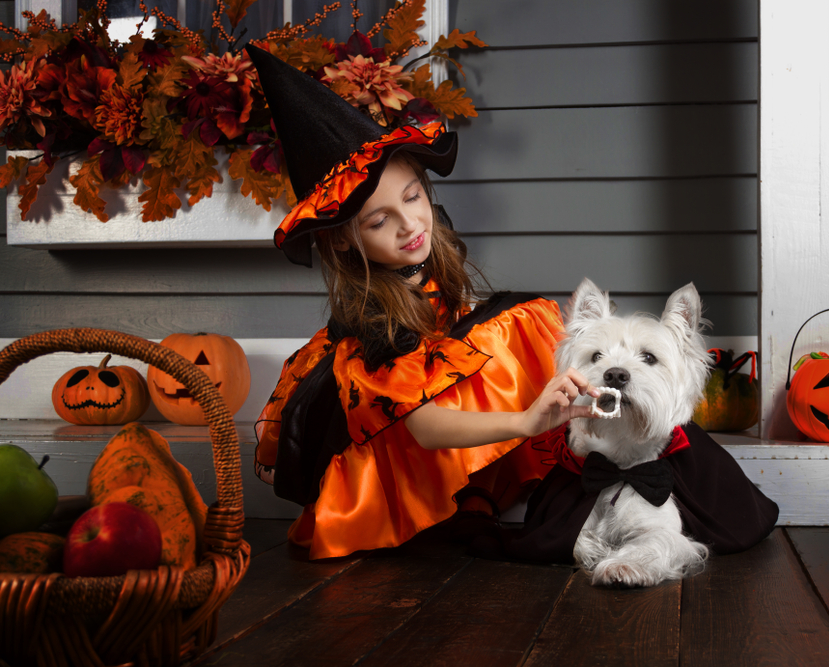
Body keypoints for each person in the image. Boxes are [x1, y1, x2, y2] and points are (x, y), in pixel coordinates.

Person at [247, 45, 599, 560]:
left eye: (412, 198)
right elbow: (425, 425)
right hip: (395, 430)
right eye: (378, 220)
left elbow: (464, 331)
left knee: (520, 322)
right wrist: (526, 421)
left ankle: (500, 480)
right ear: (343, 239)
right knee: (494, 345)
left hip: (428, 381)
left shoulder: (428, 246)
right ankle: (442, 498)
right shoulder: (373, 322)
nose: (411, 225)